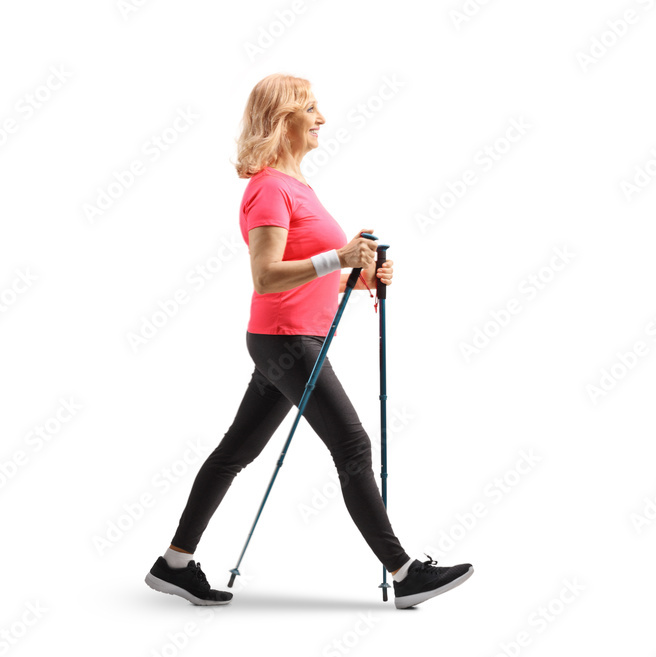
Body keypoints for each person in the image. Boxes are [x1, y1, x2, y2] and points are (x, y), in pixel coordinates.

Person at [145, 73, 473, 609]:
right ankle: (405, 572)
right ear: (283, 119)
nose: (322, 118)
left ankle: (174, 562)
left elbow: (314, 272)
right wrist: (340, 259)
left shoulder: (299, 187)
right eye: (311, 108)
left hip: (289, 338)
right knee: (352, 445)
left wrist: (363, 277)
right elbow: (266, 276)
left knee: (236, 451)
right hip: (287, 341)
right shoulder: (268, 188)